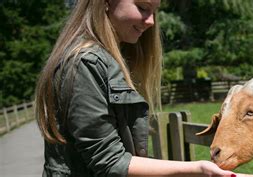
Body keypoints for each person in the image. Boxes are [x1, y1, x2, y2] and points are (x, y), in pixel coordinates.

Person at [35, 0, 237, 176]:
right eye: (142, 7)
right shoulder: (86, 64)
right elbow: (110, 162)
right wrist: (198, 169)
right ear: (106, 2)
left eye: (154, 11)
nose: (151, 21)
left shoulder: (113, 59)